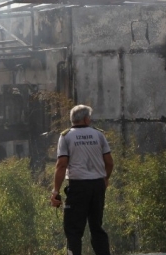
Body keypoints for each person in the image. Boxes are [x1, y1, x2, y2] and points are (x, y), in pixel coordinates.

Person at [50, 104, 114, 255]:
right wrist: (105, 179)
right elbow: (109, 162)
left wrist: (55, 191)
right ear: (86, 119)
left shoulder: (66, 136)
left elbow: (61, 165)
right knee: (96, 227)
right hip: (97, 185)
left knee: (73, 230)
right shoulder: (99, 135)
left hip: (78, 187)